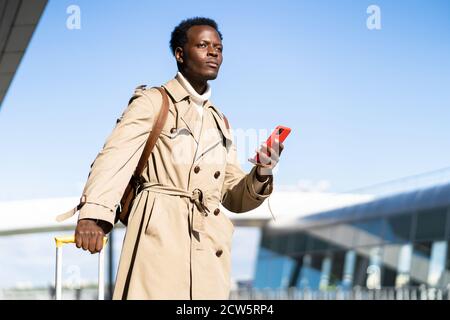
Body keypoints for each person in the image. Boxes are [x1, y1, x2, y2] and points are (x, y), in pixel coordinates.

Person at [69, 17, 284, 299]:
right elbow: (114, 157)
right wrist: (93, 215)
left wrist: (261, 173)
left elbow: (231, 195)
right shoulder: (154, 101)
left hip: (207, 246)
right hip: (160, 235)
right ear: (180, 54)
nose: (214, 52)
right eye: (203, 45)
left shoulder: (220, 121)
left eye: (219, 47)